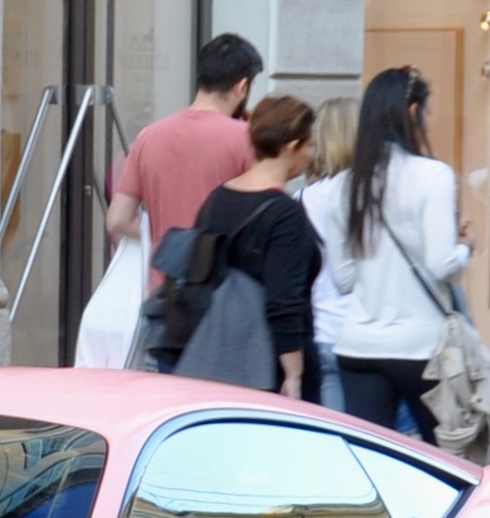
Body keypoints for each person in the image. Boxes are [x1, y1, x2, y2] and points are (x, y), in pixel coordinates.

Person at [303, 66, 469, 444]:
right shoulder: (433, 175)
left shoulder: (346, 185)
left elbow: (343, 279)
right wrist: (467, 248)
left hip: (359, 346)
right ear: (411, 112)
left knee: (371, 460)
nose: (427, 121)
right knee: (446, 461)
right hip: (423, 349)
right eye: (425, 113)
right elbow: (443, 264)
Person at [181, 96, 322, 397]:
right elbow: (284, 301)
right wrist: (294, 375)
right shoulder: (285, 214)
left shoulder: (216, 199)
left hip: (216, 356)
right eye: (309, 146)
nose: (310, 155)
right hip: (267, 365)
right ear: (290, 147)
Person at [105, 33, 262, 280]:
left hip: (164, 295)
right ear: (242, 87)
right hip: (222, 293)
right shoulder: (247, 139)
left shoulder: (148, 137)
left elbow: (117, 219)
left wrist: (163, 235)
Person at [305, 97, 359, 410]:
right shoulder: (367, 193)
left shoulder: (301, 198)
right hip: (363, 332)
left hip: (322, 328)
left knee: (334, 432)